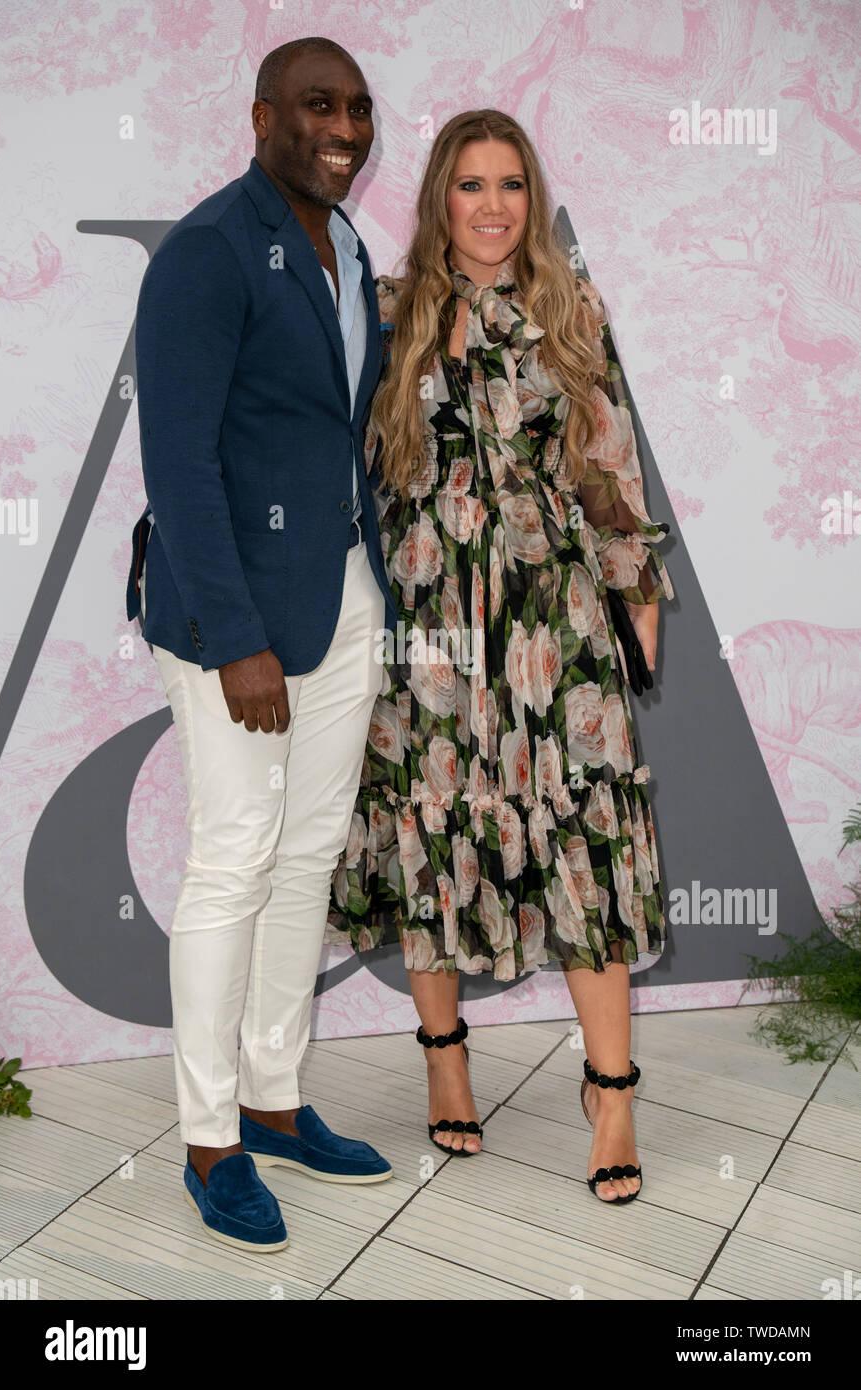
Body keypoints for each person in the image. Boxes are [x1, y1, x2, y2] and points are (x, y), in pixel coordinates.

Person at [328, 109, 675, 1204]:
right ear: (438, 196)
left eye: (510, 184)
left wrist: (633, 582)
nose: (491, 206)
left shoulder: (570, 309)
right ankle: (444, 1063)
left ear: (531, 196)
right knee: (432, 821)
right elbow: (341, 462)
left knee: (584, 828)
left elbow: (606, 454)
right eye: (470, 184)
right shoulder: (384, 314)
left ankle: (609, 1088)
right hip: (426, 616)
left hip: (553, 614)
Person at [125, 37, 399, 1252]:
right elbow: (176, 461)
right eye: (315, 106)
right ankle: (209, 1137)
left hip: (341, 596)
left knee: (308, 852)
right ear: (260, 117)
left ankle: (278, 1099)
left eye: (355, 108)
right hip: (228, 609)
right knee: (234, 855)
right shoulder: (206, 250)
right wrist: (234, 638)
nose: (340, 126)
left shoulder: (352, 252)